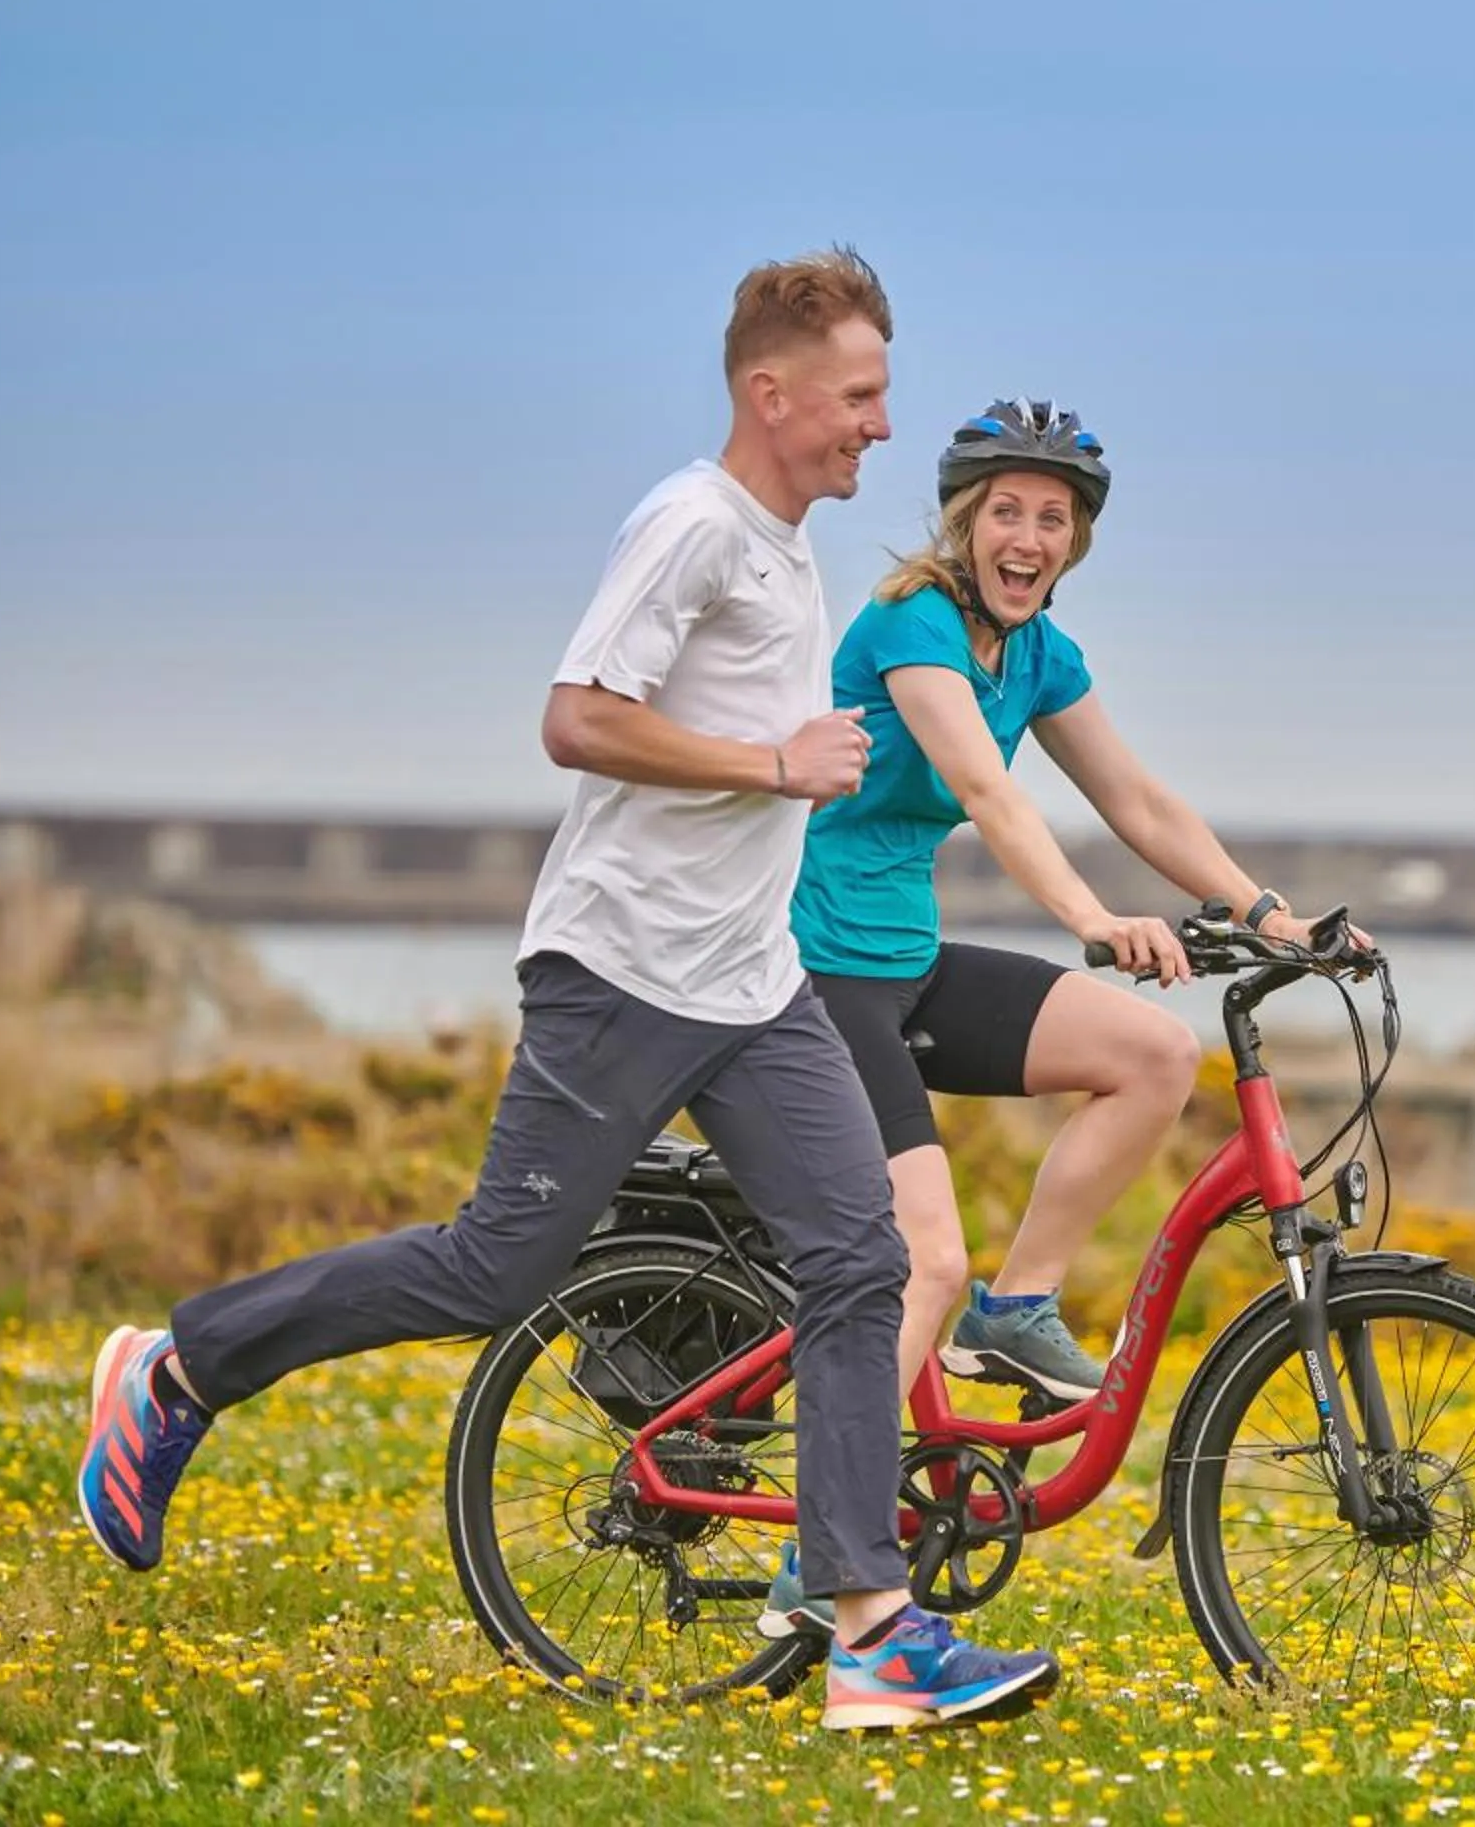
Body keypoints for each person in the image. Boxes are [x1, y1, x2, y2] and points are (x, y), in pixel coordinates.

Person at [76, 249, 1057, 1732]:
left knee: (865, 1265)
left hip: (751, 982)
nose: (877, 425)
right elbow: (577, 719)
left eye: (882, 397)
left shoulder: (788, 553)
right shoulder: (692, 526)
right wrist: (772, 764)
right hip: (620, 973)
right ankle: (177, 1370)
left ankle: (871, 1632)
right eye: (859, 397)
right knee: (492, 1271)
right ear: (769, 392)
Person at [750, 399, 1345, 1637]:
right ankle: (828, 1557)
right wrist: (1092, 918)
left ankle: (1015, 1315)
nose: (1028, 537)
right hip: (812, 970)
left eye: (1053, 519)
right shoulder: (912, 622)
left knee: (1150, 1051)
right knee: (919, 1255)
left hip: (902, 958)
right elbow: (984, 787)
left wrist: (1269, 912)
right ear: (967, 523)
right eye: (1007, 512)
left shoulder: (1038, 653)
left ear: (1073, 544)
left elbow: (1136, 796)